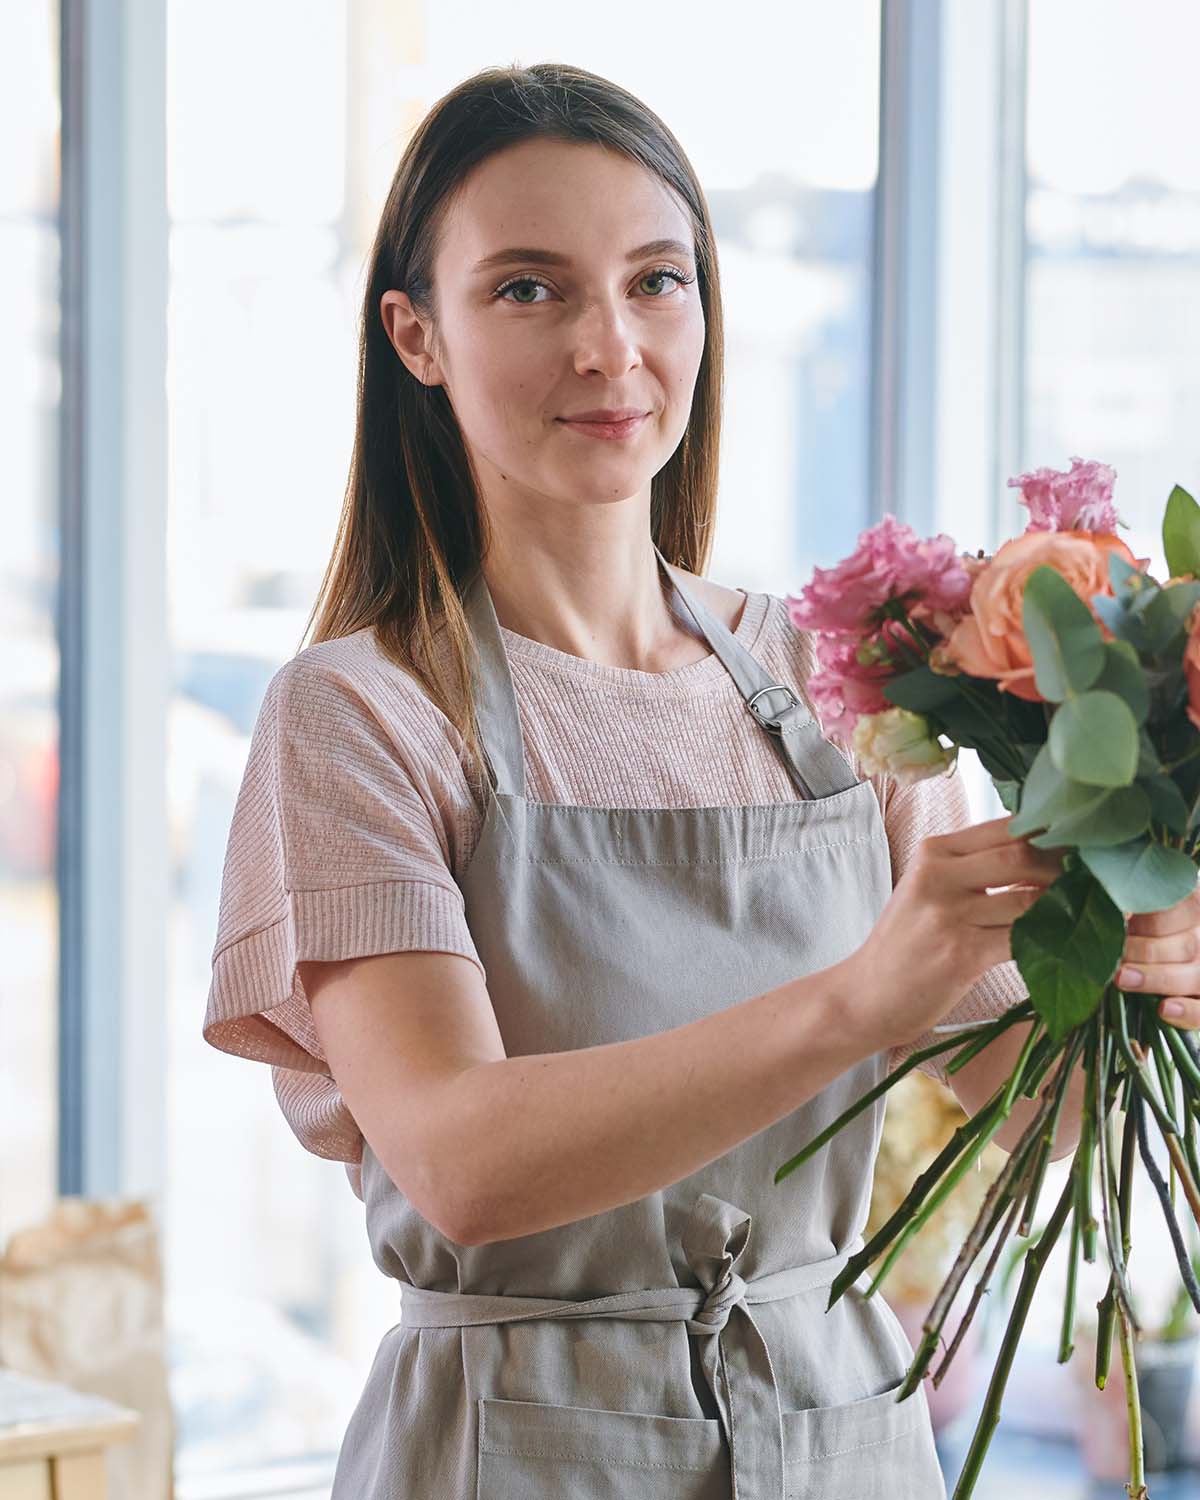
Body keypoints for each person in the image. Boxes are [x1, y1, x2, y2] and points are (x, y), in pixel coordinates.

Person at [203, 61, 1060, 1500]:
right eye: (530, 289)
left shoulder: (834, 681)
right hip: (518, 1443)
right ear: (415, 335)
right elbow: (463, 1161)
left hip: (842, 1435)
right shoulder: (359, 714)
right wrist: (858, 998)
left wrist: (1140, 958)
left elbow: (1024, 1095)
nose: (611, 346)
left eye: (657, 282)